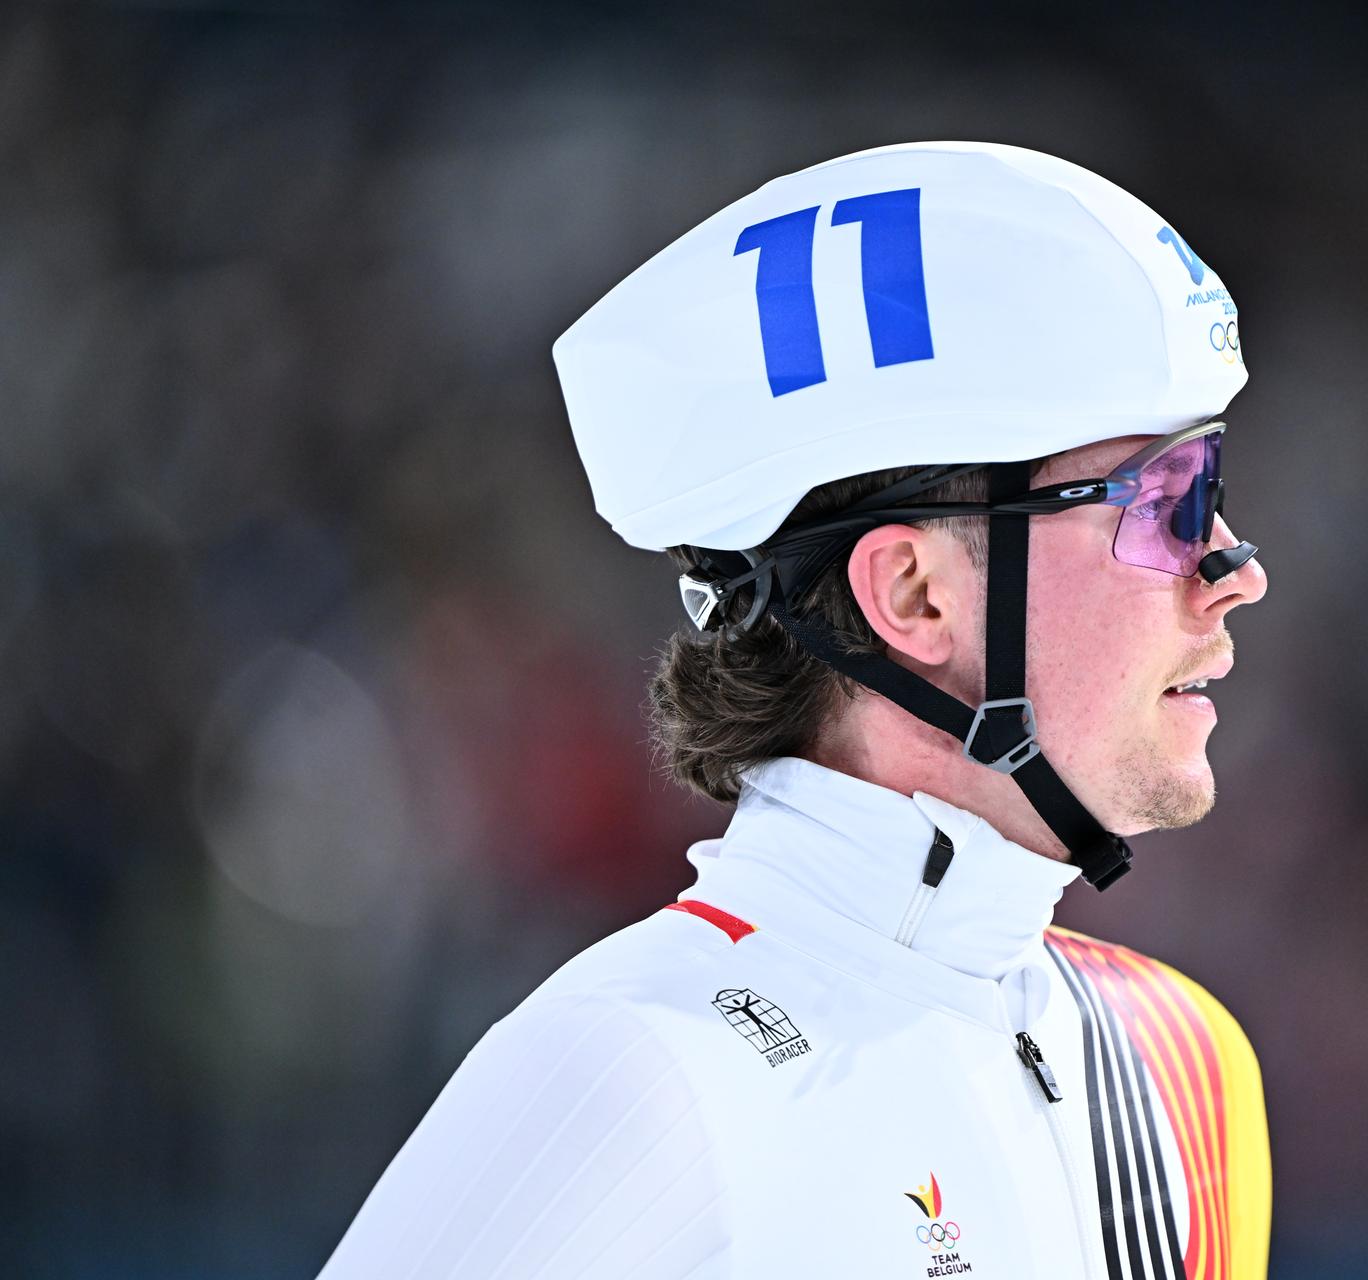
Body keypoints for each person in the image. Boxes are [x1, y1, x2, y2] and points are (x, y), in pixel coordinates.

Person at [319, 141, 1271, 1280]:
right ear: (914, 593)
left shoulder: (1184, 1066)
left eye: (1213, 484)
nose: (1232, 565)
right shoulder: (636, 1073)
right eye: (1165, 499)